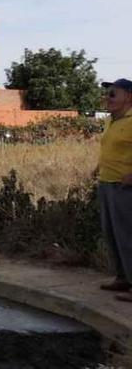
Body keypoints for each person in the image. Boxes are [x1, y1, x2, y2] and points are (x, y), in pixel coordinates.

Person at [96, 78, 132, 302]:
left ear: (129, 96)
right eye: (107, 94)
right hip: (107, 182)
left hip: (125, 185)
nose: (107, 98)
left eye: (113, 94)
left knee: (128, 235)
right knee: (112, 234)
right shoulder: (111, 121)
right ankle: (122, 277)